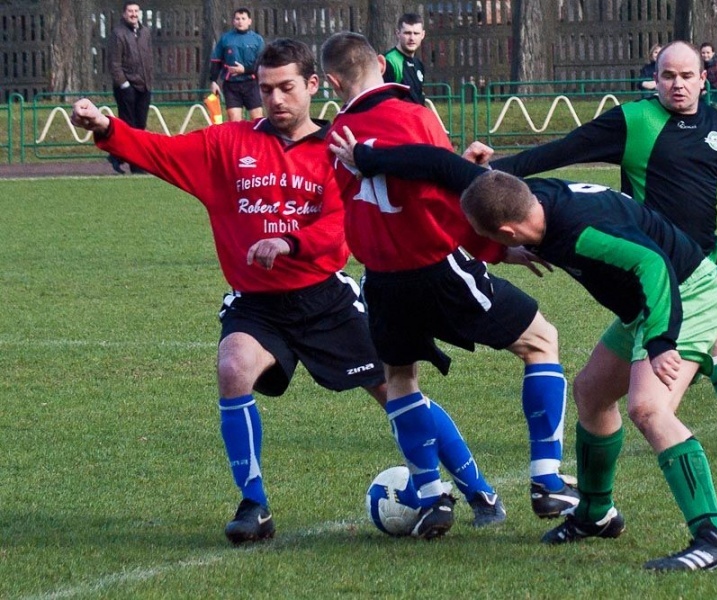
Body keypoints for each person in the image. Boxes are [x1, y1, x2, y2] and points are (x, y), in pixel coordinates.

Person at [70, 38, 507, 545]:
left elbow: (343, 225)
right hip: (257, 304)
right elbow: (161, 152)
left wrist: (291, 240)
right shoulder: (226, 144)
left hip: (327, 298)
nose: (276, 99)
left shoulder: (340, 148)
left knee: (396, 389)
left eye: (287, 88)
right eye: (265, 88)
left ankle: (478, 489)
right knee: (233, 366)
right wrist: (107, 128)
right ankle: (253, 505)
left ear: (314, 86)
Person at [328, 135, 717, 570]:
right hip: (645, 302)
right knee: (592, 394)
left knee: (648, 409)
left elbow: (652, 264)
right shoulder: (517, 198)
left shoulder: (579, 230)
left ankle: (715, 539)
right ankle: (595, 515)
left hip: (686, 293)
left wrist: (660, 341)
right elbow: (436, 164)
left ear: (505, 233)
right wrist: (367, 157)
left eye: (486, 241)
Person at [489, 41, 717, 457]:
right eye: (668, 76)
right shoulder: (635, 119)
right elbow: (561, 151)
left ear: (703, 79)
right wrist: (489, 174)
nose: (677, 85)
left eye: (686, 76)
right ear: (655, 79)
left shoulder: (716, 125)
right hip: (665, 264)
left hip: (711, 253)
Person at [321, 31, 578, 539]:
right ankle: (547, 478)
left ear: (331, 82)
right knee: (541, 340)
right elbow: (448, 197)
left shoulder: (339, 137)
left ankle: (432, 495)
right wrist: (496, 248)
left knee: (400, 377)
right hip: (438, 268)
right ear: (380, 62)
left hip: (382, 279)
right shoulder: (415, 114)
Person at [107, 1, 153, 175]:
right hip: (126, 86)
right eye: (130, 11)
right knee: (129, 126)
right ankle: (135, 164)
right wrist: (124, 85)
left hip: (144, 85)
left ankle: (118, 156)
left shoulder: (145, 32)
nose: (133, 14)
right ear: (124, 14)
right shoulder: (118, 34)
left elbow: (148, 58)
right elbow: (114, 63)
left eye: (136, 11)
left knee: (140, 126)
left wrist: (149, 81)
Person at [209, 7, 266, 122]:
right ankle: (238, 140)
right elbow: (216, 61)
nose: (240, 21)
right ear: (233, 21)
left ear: (249, 21)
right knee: (235, 121)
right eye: (237, 19)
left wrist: (244, 70)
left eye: (243, 18)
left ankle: (254, 140)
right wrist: (213, 81)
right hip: (231, 85)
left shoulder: (257, 40)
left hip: (251, 83)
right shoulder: (225, 39)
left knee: (257, 119)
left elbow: (262, 64)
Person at [382, 13, 427, 105]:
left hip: (415, 117)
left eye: (416, 33)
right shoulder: (389, 62)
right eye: (407, 33)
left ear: (422, 35)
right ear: (398, 33)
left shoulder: (419, 64)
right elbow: (383, 101)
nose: (412, 38)